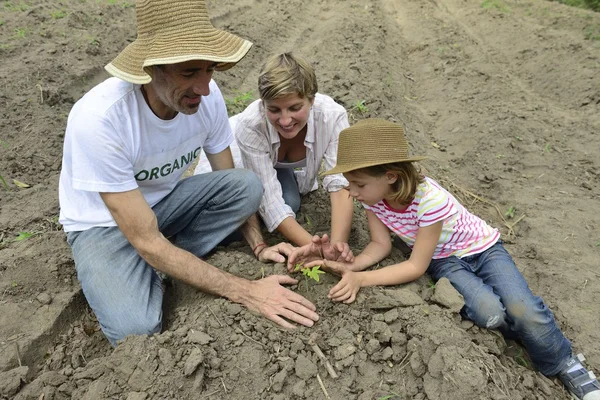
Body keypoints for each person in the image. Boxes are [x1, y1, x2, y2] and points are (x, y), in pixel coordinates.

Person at [58, 0, 319, 346]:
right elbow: (145, 239)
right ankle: (156, 266)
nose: (204, 87)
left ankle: (169, 262)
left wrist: (257, 246)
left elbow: (230, 180)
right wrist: (246, 291)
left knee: (246, 186)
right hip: (103, 227)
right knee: (136, 329)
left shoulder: (206, 101)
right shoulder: (101, 119)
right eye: (188, 72)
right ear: (152, 69)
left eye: (209, 69)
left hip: (163, 207)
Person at [288, 118, 600, 400]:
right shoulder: (376, 201)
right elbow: (380, 245)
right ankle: (522, 335)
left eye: (358, 184)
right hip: (444, 260)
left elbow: (415, 266)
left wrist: (361, 279)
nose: (352, 193)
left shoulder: (430, 201)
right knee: (491, 314)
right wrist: (350, 265)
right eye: (349, 184)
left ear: (391, 176)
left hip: (483, 250)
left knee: (524, 309)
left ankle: (563, 361)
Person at [195, 53, 355, 258]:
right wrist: (317, 250)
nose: (285, 120)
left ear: (312, 100)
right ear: (263, 104)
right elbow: (270, 202)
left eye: (295, 108)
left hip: (276, 168)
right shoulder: (251, 125)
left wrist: (337, 246)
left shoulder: (332, 117)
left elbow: (340, 183)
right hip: (232, 167)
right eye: (274, 110)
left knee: (291, 201)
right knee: (230, 226)